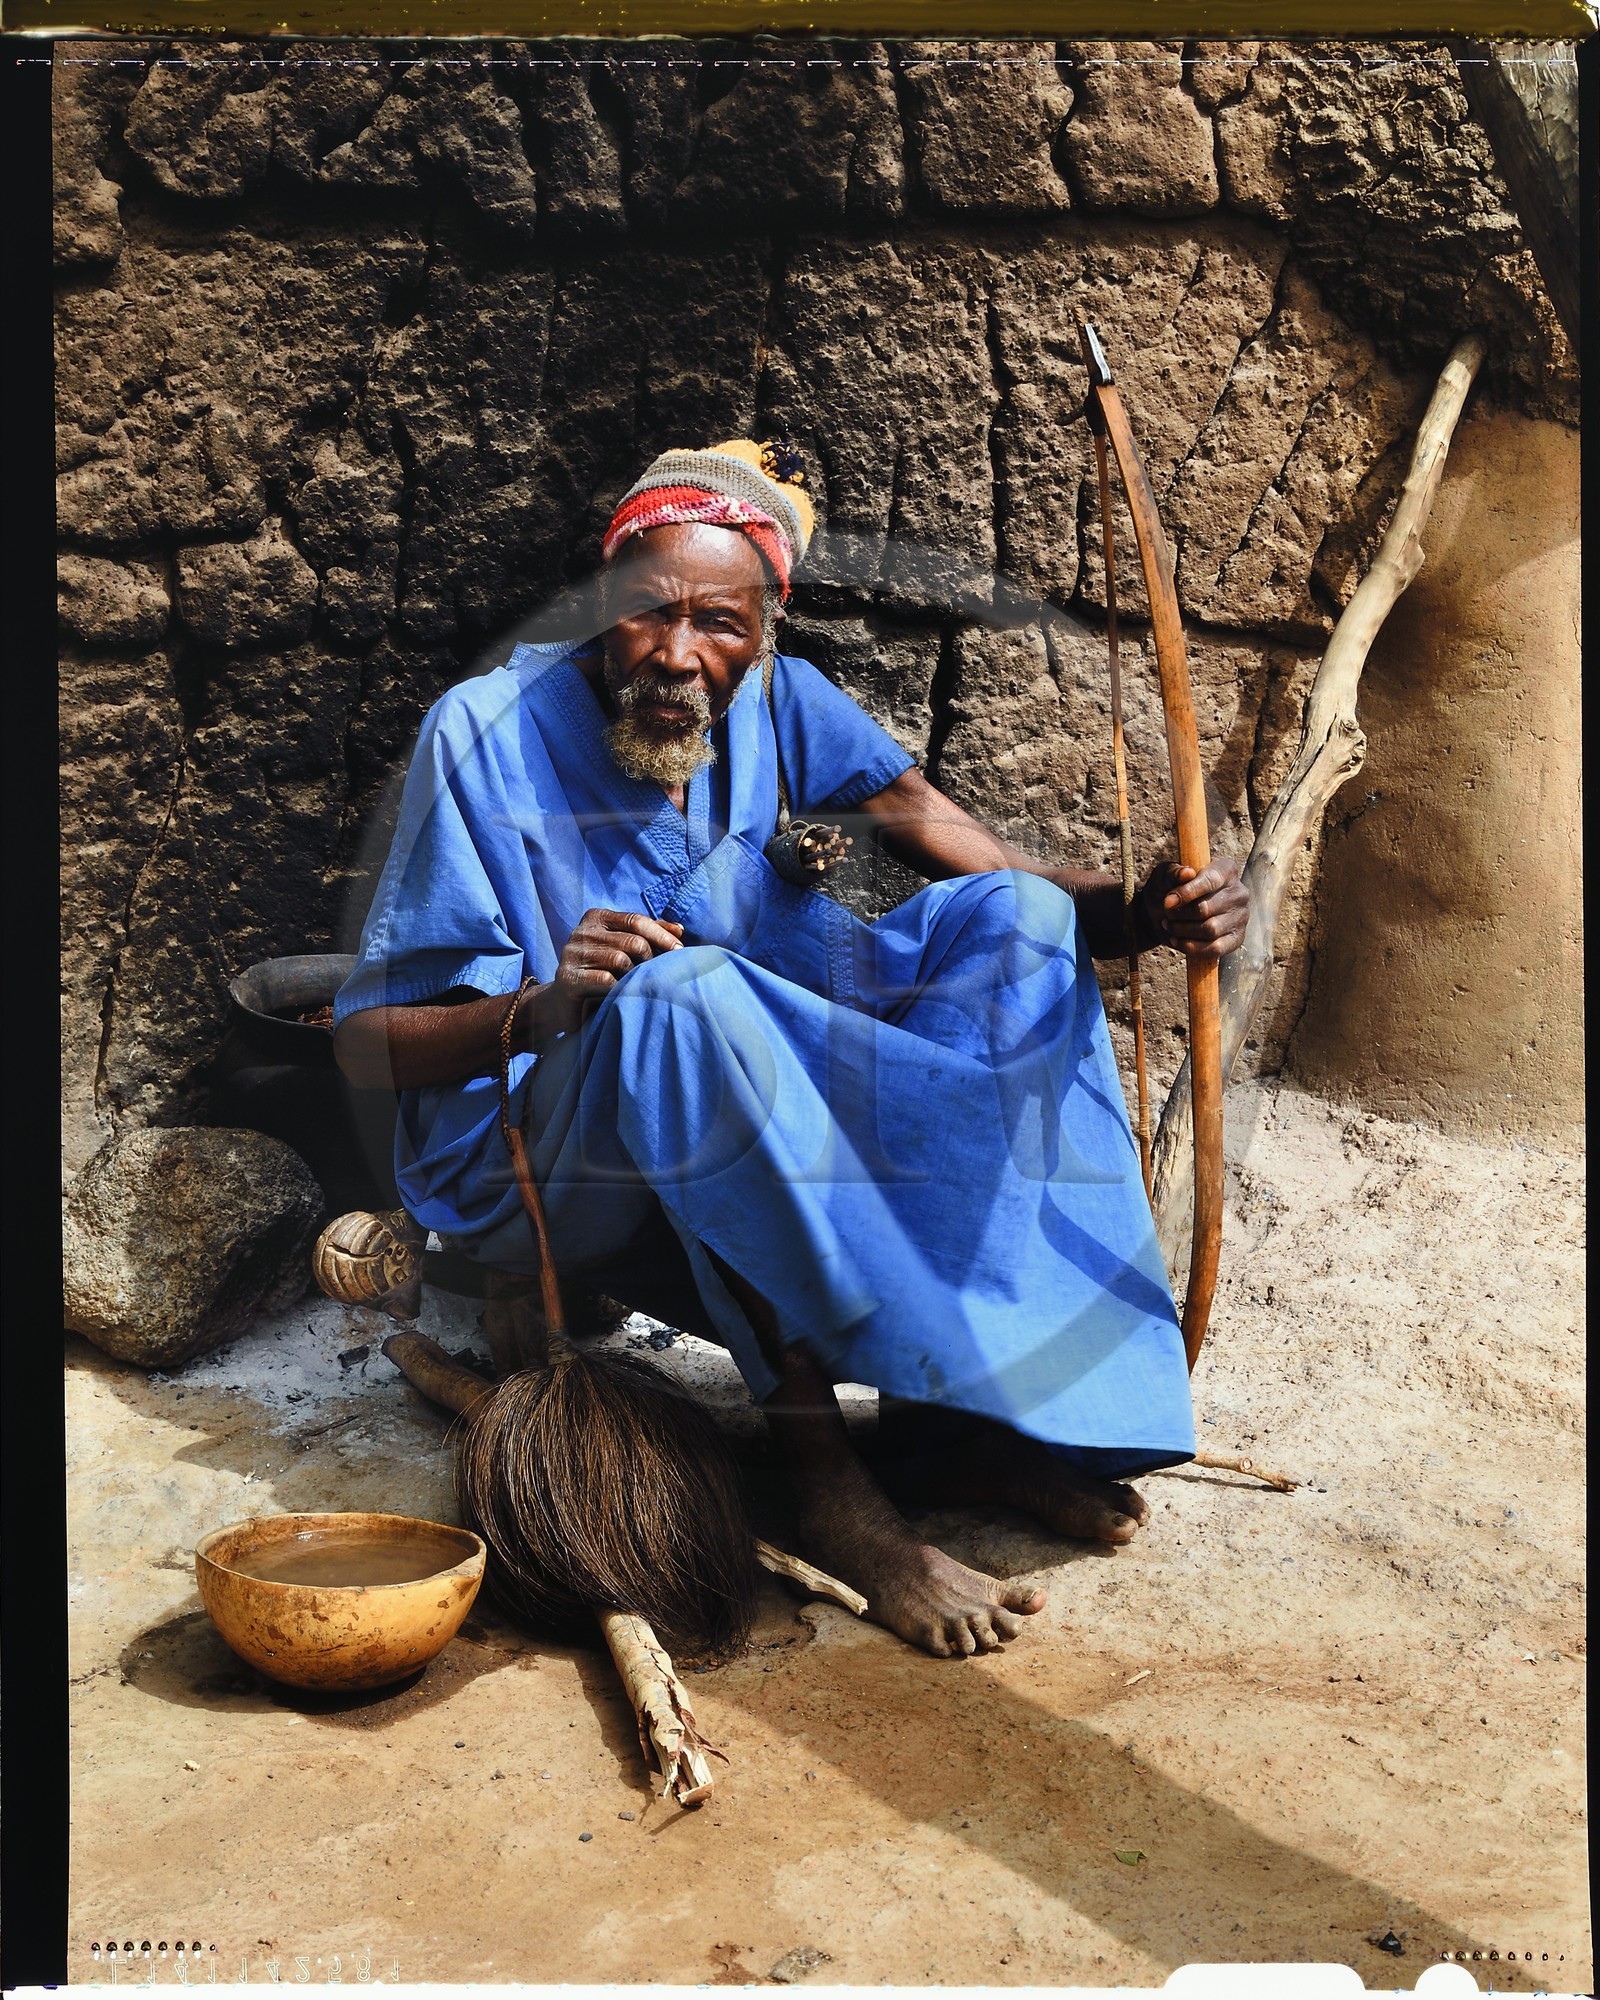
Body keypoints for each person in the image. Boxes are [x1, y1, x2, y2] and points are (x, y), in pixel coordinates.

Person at [333, 438, 1249, 1658]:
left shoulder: (777, 698)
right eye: (644, 612)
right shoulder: (483, 732)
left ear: (769, 624)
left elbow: (989, 861)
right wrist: (542, 1006)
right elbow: (368, 1045)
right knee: (682, 996)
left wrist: (1136, 912)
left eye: (717, 622)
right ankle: (831, 1486)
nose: (674, 654)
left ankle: (953, 1414)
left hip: (723, 1111)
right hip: (532, 1166)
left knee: (1012, 926)